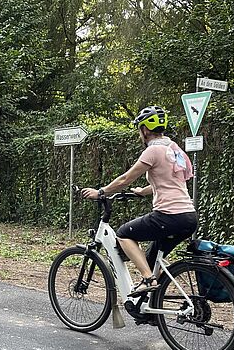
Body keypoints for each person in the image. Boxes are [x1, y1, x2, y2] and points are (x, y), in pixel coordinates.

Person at [81, 106, 198, 323]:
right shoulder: (174, 148)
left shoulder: (152, 151)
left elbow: (126, 178)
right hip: (188, 217)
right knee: (154, 258)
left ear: (144, 130)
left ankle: (147, 279)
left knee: (125, 234)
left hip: (169, 215)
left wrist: (101, 192)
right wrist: (143, 192)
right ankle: (151, 309)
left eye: (139, 129)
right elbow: (171, 182)